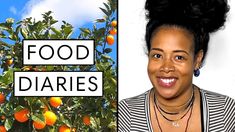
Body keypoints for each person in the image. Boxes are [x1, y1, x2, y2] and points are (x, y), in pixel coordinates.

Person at [118, 0, 235, 131]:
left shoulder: (225, 112)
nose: (166, 67)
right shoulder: (126, 114)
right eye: (157, 55)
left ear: (197, 59)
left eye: (179, 57)